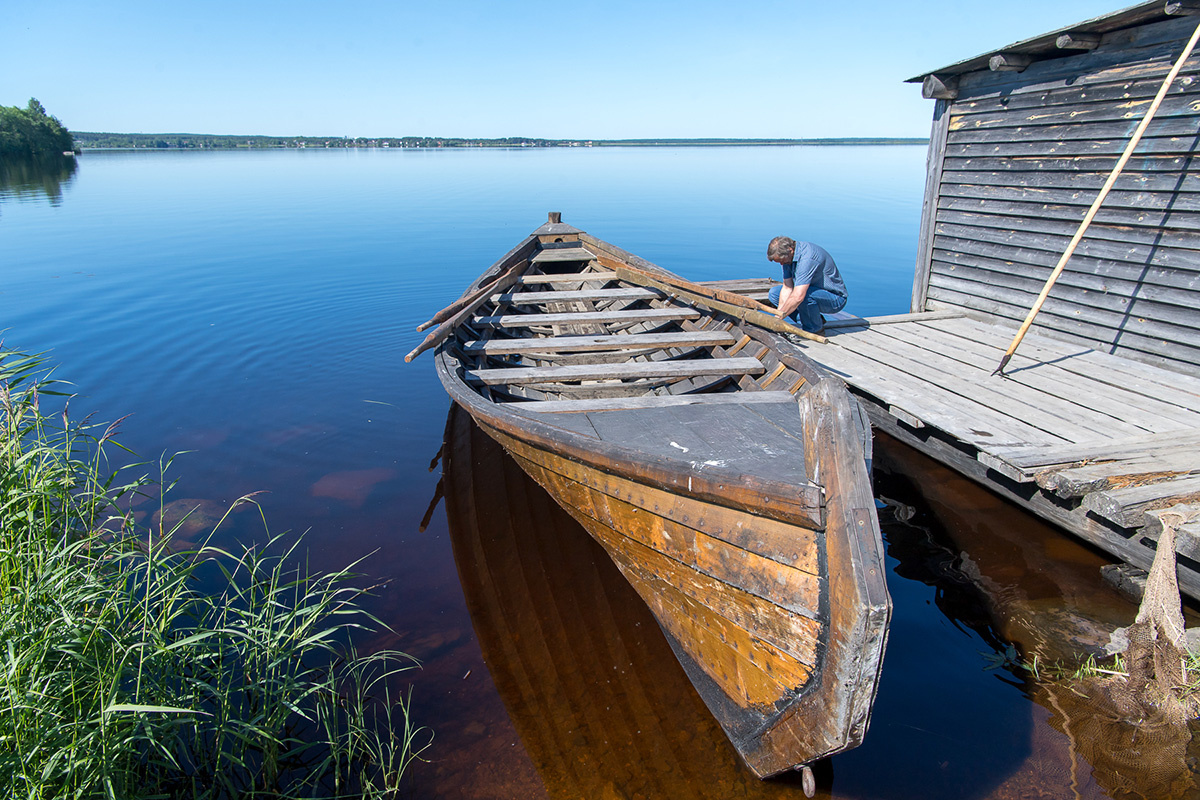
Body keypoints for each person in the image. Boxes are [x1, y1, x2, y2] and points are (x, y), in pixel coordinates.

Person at [765, 236, 847, 335]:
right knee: (774, 294)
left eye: (782, 260)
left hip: (834, 298)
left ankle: (814, 330)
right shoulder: (788, 258)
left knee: (803, 295)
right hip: (813, 292)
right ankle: (814, 320)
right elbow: (787, 288)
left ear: (790, 250)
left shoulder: (807, 258)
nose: (782, 264)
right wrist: (777, 316)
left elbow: (798, 296)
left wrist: (778, 318)